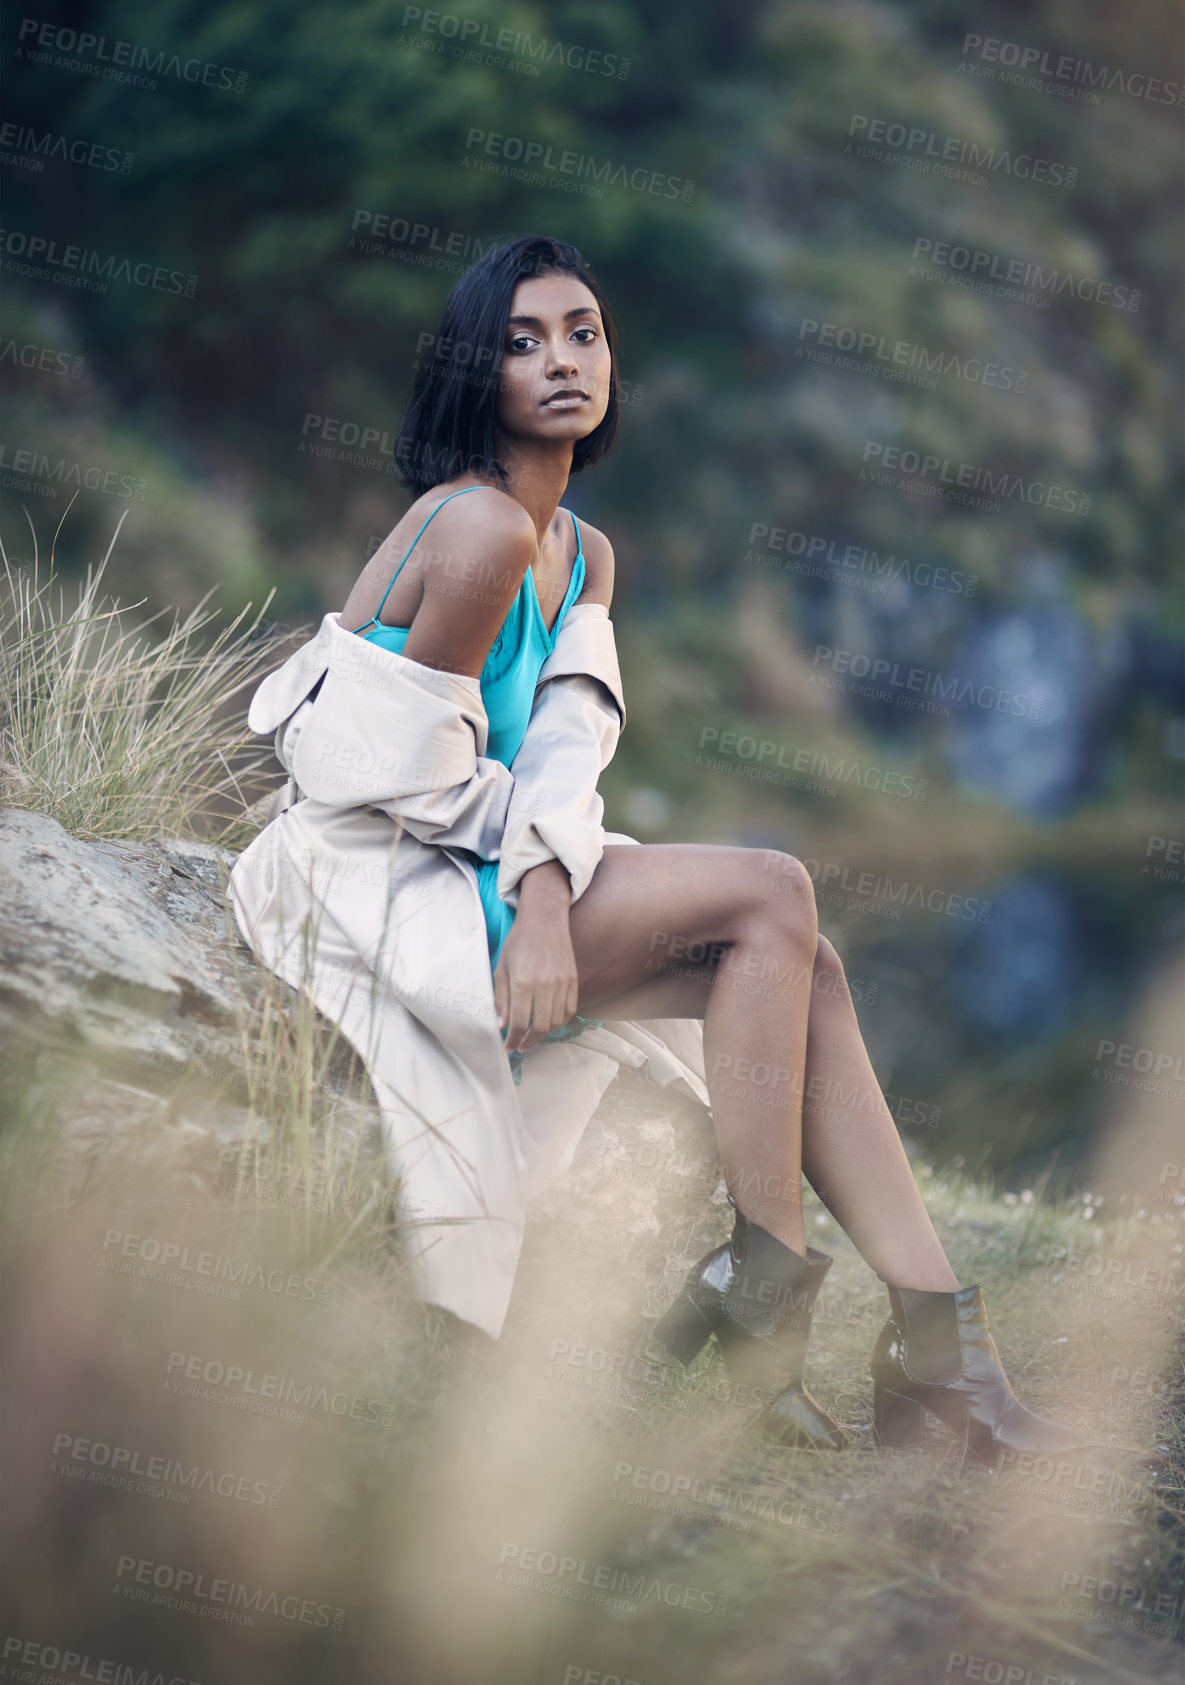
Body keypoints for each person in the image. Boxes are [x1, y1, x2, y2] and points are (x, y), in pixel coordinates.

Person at [229, 234, 1092, 1466]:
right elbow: (393, 772)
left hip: (486, 858)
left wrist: (538, 883)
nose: (563, 360)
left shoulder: (581, 548)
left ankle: (938, 1347)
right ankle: (770, 1303)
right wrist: (538, 910)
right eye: (522, 342)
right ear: (480, 376)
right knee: (772, 890)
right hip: (383, 876)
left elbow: (561, 756)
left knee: (810, 967)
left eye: (583, 331)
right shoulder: (473, 530)